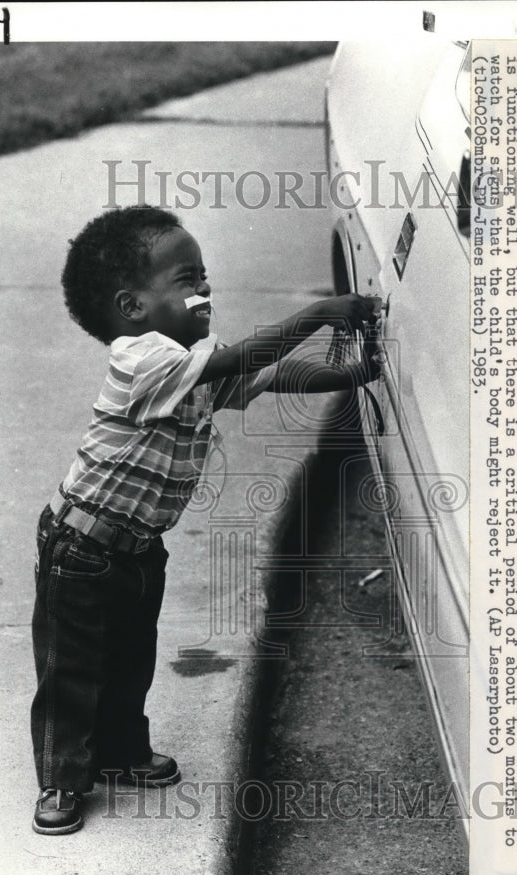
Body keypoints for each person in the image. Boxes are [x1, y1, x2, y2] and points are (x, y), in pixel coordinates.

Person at [31, 204, 380, 834]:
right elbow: (238, 357)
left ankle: (119, 753)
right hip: (80, 550)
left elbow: (267, 375)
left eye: (204, 276)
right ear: (132, 307)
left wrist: (349, 373)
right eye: (187, 280)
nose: (205, 289)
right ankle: (62, 780)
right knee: (74, 669)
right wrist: (318, 315)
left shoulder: (188, 373)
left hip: (136, 548)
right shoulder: (143, 360)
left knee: (132, 658)